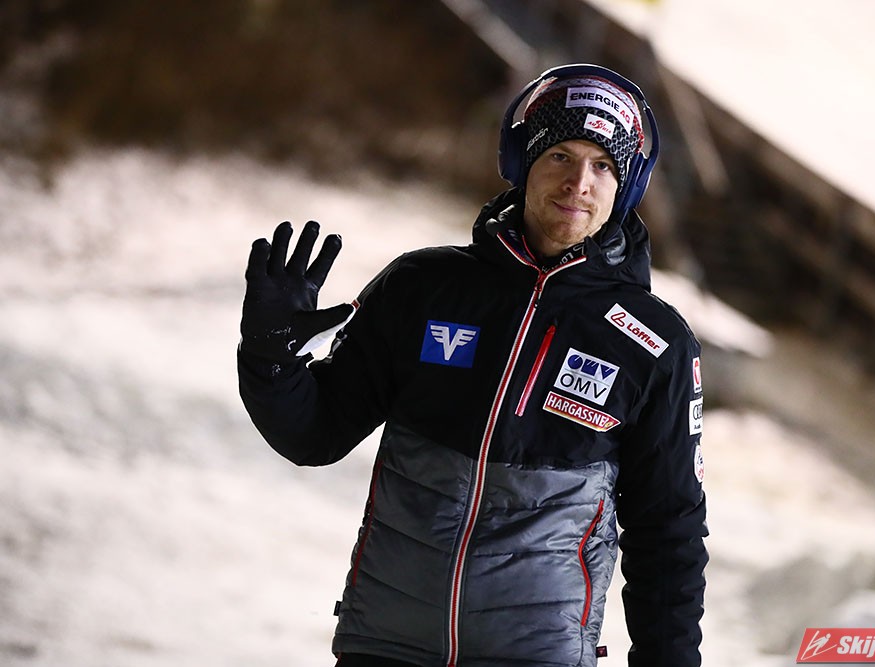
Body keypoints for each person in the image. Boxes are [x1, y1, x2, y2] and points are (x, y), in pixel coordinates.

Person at [238, 63, 708, 667]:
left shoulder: (654, 343)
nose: (579, 183)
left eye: (603, 166)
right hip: (386, 645)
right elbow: (315, 434)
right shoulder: (423, 287)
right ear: (523, 162)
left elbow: (668, 532)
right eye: (560, 156)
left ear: (626, 186)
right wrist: (270, 357)